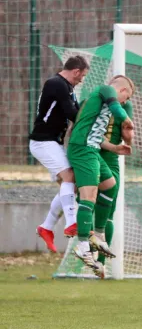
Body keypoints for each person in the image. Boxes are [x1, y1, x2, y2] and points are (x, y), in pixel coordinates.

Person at [67, 75, 134, 276]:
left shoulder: (100, 101)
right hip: (82, 150)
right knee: (89, 196)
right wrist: (127, 119)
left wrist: (115, 147)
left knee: (110, 184)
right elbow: (116, 108)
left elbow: (94, 133)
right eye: (126, 98)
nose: (125, 102)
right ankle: (82, 245)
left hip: (92, 149)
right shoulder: (105, 90)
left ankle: (97, 234)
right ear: (121, 91)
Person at [29, 56, 89, 252]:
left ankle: (46, 227)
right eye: (82, 76)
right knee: (69, 176)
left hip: (52, 142)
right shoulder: (56, 84)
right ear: (76, 71)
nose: (81, 80)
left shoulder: (67, 87)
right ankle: (71, 223)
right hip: (42, 141)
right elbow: (73, 114)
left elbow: (76, 111)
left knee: (68, 186)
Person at [93, 88, 135, 278]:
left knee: (109, 212)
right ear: (123, 90)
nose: (128, 99)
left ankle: (100, 263)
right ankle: (86, 246)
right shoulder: (93, 101)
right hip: (91, 156)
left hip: (111, 161)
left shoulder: (127, 107)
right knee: (85, 204)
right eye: (128, 94)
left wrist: (128, 135)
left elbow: (128, 137)